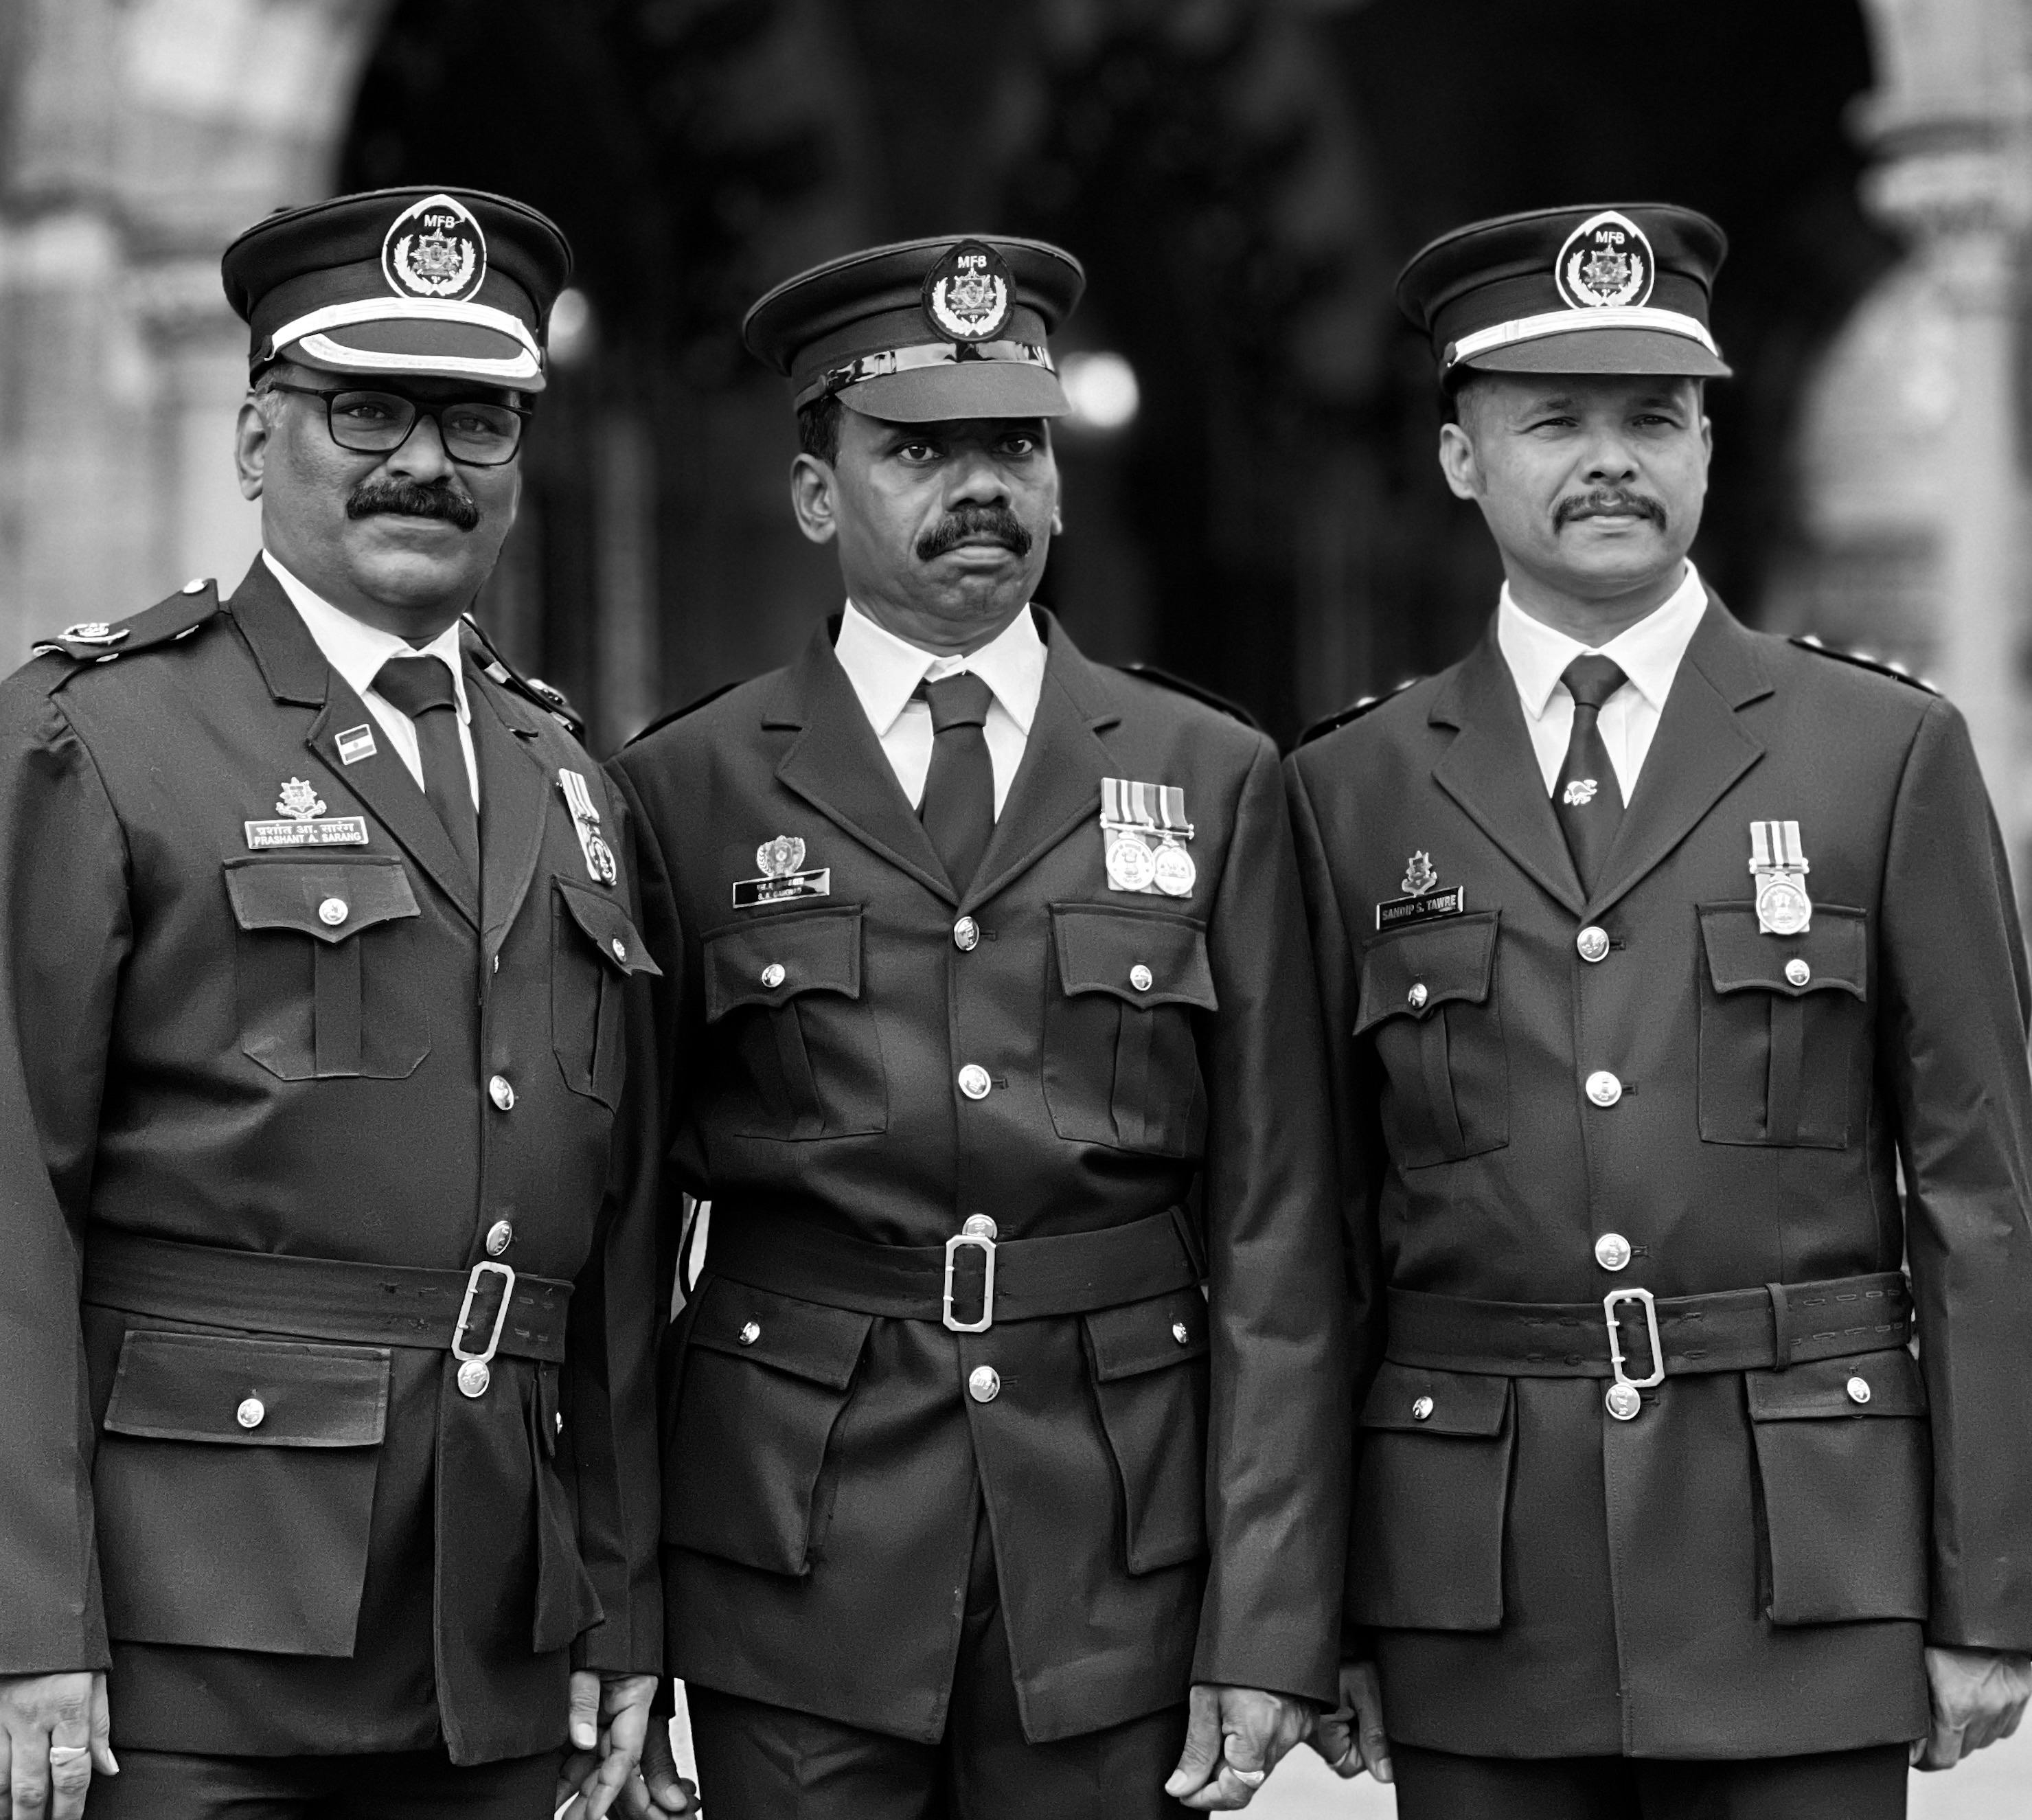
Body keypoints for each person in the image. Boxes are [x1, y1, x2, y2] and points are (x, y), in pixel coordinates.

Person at [1289, 201, 2032, 1819]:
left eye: (1653, 417)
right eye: (1555, 418)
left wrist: (1989, 1590)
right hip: (1475, 1581)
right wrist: (1314, 1604)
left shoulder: (1881, 753)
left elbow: (1979, 1195)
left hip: (1801, 1571)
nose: (1609, 458)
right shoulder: (1345, 790)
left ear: (1705, 444)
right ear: (1457, 456)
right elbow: (1316, 1229)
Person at [613, 233, 1347, 1818]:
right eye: (917, 449)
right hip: (789, 1544)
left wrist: (1271, 1613)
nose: (978, 487)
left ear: (1063, 483)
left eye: (1012, 444)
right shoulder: (686, 785)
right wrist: (618, 1618)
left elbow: (1281, 1231)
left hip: (1112, 1536)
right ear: (818, 492)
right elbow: (618, 1236)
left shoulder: (1213, 772)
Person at [0, 187, 684, 1820]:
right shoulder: (98, 736)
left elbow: (617, 1243)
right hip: (195, 1624)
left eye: (475, 419)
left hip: (497, 1627)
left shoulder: (567, 772)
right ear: (251, 438)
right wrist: (31, 1621)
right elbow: (11, 1202)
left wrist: (617, 1594)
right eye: (364, 407)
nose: (423, 462)